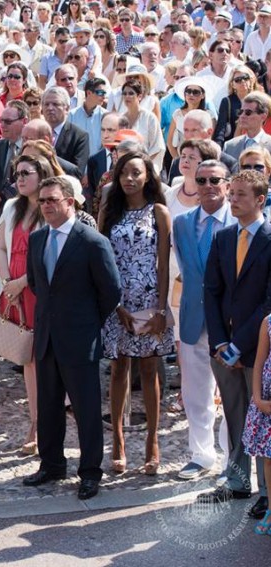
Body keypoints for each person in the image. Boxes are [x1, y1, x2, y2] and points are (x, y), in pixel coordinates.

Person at [24, 175, 121, 500]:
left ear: (70, 202)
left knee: (86, 410)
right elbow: (38, 286)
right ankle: (52, 464)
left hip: (80, 339)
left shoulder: (92, 241)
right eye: (42, 201)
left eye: (52, 200)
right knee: (48, 406)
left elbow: (111, 291)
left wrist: (87, 322)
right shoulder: (38, 239)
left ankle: (90, 472)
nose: (46, 206)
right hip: (47, 337)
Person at [99, 152, 175, 476]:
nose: (129, 179)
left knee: (149, 370)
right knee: (118, 369)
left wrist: (161, 309)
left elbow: (164, 265)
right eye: (123, 173)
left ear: (148, 177)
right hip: (117, 301)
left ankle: (152, 441)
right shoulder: (109, 211)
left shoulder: (159, 212)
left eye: (135, 173)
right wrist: (115, 305)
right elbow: (102, 261)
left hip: (149, 301)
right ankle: (117, 440)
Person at [200, 169, 270, 519]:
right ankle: (238, 481)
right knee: (235, 414)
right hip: (224, 346)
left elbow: (269, 301)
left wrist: (238, 346)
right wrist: (219, 341)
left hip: (259, 347)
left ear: (260, 200)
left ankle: (267, 492)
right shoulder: (224, 237)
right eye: (233, 193)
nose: (233, 199)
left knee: (264, 420)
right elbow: (211, 291)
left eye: (241, 194)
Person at [172, 159, 237, 481]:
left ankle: (232, 461)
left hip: (229, 322)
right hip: (193, 319)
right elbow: (186, 270)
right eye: (202, 180)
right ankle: (201, 454)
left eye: (215, 180)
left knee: (231, 394)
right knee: (196, 392)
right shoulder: (182, 223)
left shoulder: (239, 222)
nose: (208, 186)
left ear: (227, 184)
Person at [0, 154, 53, 455]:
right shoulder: (11, 207)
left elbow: (52, 254)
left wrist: (22, 282)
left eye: (25, 173)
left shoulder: (50, 208)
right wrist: (8, 284)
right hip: (14, 292)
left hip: (39, 291)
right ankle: (36, 421)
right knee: (27, 359)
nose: (19, 179)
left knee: (44, 359)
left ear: (42, 175)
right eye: (16, 174)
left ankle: (48, 421)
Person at [243, 312, 271, 534]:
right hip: (268, 403)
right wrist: (258, 398)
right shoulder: (268, 322)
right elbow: (259, 363)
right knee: (269, 459)